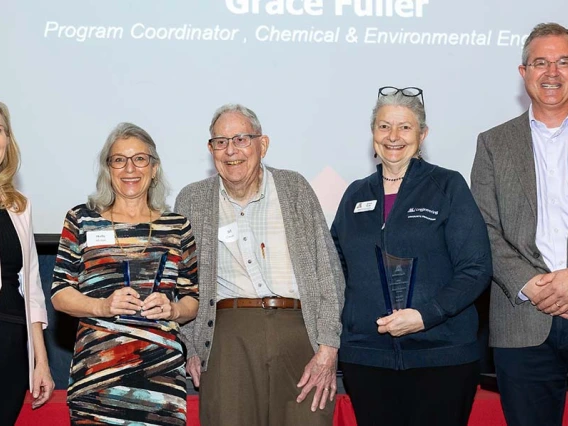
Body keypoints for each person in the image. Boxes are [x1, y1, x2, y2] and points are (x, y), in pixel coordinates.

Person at [175, 103, 344, 426]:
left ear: (262, 145)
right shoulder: (192, 200)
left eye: (241, 139)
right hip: (227, 338)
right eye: (220, 142)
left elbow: (328, 272)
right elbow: (181, 282)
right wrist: (192, 346)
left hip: (300, 333)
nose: (231, 151)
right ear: (210, 150)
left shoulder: (294, 188)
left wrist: (328, 348)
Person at [331, 87, 492, 426]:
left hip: (441, 356)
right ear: (373, 132)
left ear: (423, 134)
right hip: (367, 358)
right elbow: (336, 268)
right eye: (384, 126)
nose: (393, 136)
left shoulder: (448, 186)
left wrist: (426, 315)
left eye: (405, 127)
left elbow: (475, 268)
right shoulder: (355, 194)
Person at [51, 122, 199, 425]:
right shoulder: (82, 219)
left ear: (154, 167)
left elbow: (192, 300)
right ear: (108, 168)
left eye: (140, 159)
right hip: (97, 379)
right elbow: (59, 293)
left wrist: (172, 308)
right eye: (119, 159)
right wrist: (101, 306)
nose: (129, 168)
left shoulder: (177, 226)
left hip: (161, 380)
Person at [471, 22, 568, 426]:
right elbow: (483, 229)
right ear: (523, 72)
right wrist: (532, 285)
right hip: (522, 320)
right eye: (540, 62)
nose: (552, 73)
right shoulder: (493, 143)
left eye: (564, 62)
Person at [0, 102, 54, 424]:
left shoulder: (20, 206)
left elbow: (31, 286)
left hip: (11, 338)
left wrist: (42, 362)